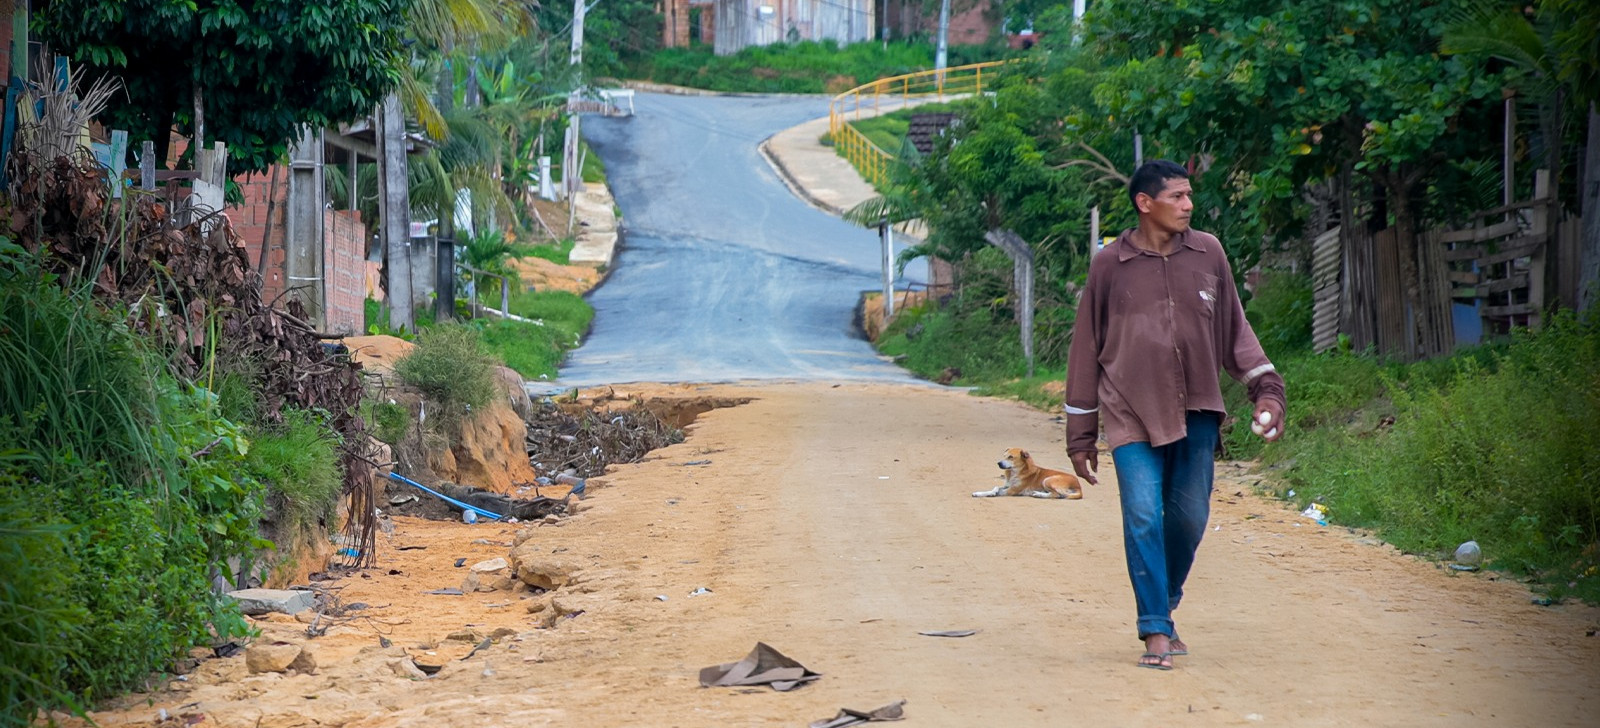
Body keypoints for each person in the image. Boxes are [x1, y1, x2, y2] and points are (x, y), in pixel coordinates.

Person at [1064, 160, 1287, 671]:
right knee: (1143, 513)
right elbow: (1086, 348)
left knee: (1188, 519)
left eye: (1190, 196)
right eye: (1178, 196)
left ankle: (1162, 604)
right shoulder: (1110, 265)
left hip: (1198, 408)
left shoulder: (1208, 253)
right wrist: (1081, 434)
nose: (1189, 205)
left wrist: (1267, 391)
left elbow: (1235, 332)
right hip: (1129, 410)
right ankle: (1155, 631)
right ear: (1145, 203)